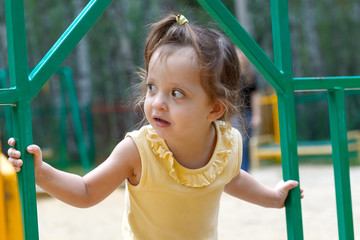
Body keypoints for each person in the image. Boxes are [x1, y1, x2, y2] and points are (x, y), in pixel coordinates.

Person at [8, 13, 303, 240]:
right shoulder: (137, 151)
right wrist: (42, 173)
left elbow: (233, 178)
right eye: (152, 87)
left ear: (214, 108)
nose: (157, 102)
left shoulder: (228, 144)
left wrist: (273, 197)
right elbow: (87, 191)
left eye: (177, 93)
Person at [230, 50, 261, 172]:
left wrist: (257, 116)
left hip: (247, 113)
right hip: (233, 114)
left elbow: (255, 97)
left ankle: (244, 171)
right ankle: (234, 170)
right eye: (237, 54)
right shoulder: (229, 75)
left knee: (245, 143)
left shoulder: (250, 76)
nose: (240, 57)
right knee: (234, 142)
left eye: (243, 55)